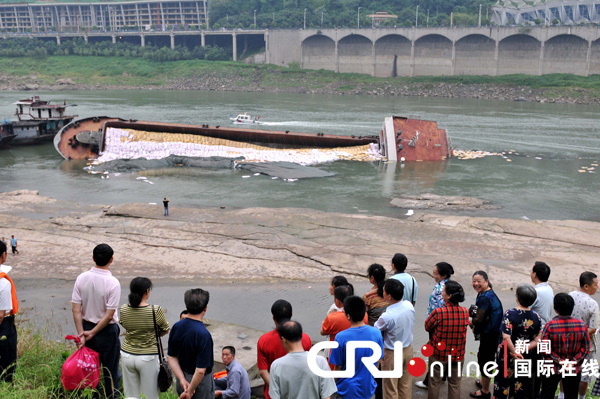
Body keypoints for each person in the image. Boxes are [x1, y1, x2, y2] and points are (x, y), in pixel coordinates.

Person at [72, 243, 121, 399]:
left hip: (85, 327)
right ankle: (111, 396)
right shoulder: (113, 283)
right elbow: (108, 315)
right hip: (106, 331)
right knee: (111, 372)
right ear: (111, 260)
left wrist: (81, 334)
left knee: (89, 371)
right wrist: (92, 332)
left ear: (93, 258)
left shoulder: (81, 278)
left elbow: (76, 309)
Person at [119, 277, 170, 399]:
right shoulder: (155, 310)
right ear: (147, 291)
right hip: (148, 357)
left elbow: (124, 324)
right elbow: (165, 329)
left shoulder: (124, 309)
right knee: (150, 395)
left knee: (130, 395)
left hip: (127, 355)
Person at [329, 295, 384, 399]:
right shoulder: (376, 333)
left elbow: (338, 367)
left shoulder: (341, 337)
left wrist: (333, 388)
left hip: (347, 390)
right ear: (364, 313)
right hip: (368, 388)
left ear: (348, 316)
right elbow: (378, 360)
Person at [493, 284, 541, 399]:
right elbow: (537, 340)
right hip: (524, 357)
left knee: (502, 385)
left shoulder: (510, 314)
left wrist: (514, 351)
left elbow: (506, 337)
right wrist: (521, 350)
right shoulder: (536, 317)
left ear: (517, 298)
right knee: (521, 386)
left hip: (507, 356)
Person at [257, 299, 312, 399]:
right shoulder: (305, 339)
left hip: (274, 394)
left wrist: (278, 391)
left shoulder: (264, 340)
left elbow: (262, 371)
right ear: (291, 314)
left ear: (273, 317)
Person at [539, 293, 590, 399]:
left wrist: (559, 360)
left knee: (547, 394)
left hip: (552, 367)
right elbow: (586, 348)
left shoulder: (550, 326)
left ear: (555, 308)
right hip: (573, 368)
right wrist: (573, 361)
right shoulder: (581, 326)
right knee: (571, 395)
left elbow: (544, 348)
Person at [269, 320, 337, 399]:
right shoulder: (320, 362)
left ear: (284, 340)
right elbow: (326, 397)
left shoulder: (276, 365)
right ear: (301, 336)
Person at [424, 280, 469, 399]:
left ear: (449, 296)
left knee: (434, 383)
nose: (442, 293)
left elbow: (427, 327)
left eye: (443, 291)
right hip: (458, 354)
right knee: (455, 384)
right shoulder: (465, 312)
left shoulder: (439, 312)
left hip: (439, 354)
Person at [168, 288, 214, 399]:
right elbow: (200, 371)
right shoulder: (204, 335)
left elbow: (171, 356)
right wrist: (190, 390)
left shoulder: (176, 327)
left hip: (182, 379)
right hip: (200, 384)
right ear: (205, 308)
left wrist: (182, 379)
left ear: (187, 307)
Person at [416, 261, 454, 389]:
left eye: (435, 273)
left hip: (436, 325)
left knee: (434, 353)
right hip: (445, 325)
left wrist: (431, 324)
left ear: (443, 275)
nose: (433, 275)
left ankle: (428, 381)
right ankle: (443, 376)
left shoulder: (440, 289)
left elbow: (441, 308)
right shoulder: (448, 285)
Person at [374, 279, 415, 399]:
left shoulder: (387, 316)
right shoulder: (409, 306)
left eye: (384, 291)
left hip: (392, 353)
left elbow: (376, 331)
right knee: (405, 385)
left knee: (390, 388)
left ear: (389, 296)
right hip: (408, 350)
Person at [469, 270, 503, 399]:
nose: (476, 284)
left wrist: (470, 323)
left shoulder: (484, 298)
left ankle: (485, 391)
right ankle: (484, 381)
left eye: (479, 281)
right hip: (494, 333)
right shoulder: (487, 293)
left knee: (485, 360)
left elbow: (478, 319)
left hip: (490, 334)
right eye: (474, 281)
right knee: (485, 357)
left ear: (486, 282)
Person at [569, 271, 599, 399]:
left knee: (567, 371)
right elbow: (593, 328)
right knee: (585, 375)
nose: (597, 287)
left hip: (568, 342)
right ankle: (581, 397)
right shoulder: (592, 304)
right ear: (586, 286)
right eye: (596, 284)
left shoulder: (569, 296)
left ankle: (562, 395)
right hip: (587, 346)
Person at [321, 285, 366, 369]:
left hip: (336, 358)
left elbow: (323, 331)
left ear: (337, 302)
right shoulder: (363, 316)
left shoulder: (333, 318)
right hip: (358, 358)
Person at [0, 240, 18, 382]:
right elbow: (1, 314)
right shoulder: (3, 283)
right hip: (4, 326)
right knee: (7, 364)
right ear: (3, 256)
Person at [530, 261, 554, 327]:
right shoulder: (549, 288)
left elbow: (524, 310)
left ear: (534, 275)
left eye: (532, 272)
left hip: (537, 329)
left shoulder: (536, 292)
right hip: (545, 327)